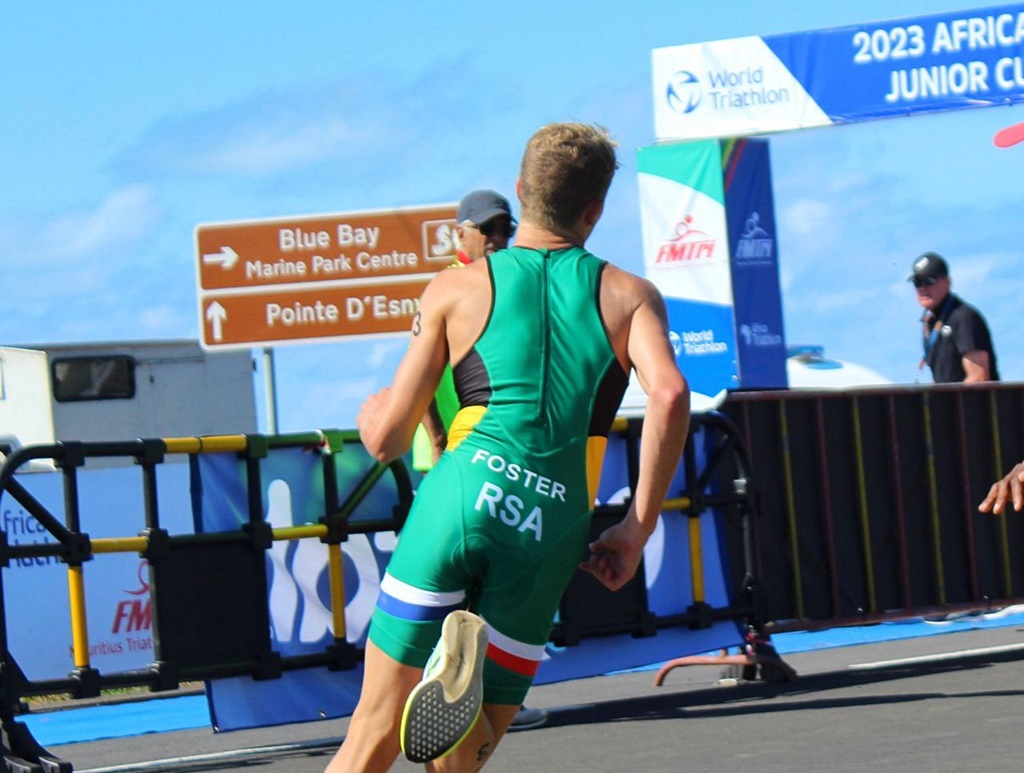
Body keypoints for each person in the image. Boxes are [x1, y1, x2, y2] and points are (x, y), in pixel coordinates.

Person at [324, 122, 690, 772]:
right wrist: (634, 527)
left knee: (373, 729)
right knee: (465, 751)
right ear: (595, 209)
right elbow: (667, 396)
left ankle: (447, 684)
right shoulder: (631, 297)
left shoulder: (457, 286)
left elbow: (386, 439)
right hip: (547, 526)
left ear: (521, 191)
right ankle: (461, 720)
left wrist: (376, 411)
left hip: (460, 497)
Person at [410, 189, 548, 733]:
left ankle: (471, 700)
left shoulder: (507, 282)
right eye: (485, 229)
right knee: (458, 588)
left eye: (503, 230)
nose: (495, 239)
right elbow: (415, 378)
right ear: (459, 233)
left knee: (485, 590)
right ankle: (448, 699)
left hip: (490, 460)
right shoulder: (448, 286)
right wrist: (442, 442)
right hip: (450, 461)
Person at [909, 251, 999, 383]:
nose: (923, 288)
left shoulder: (964, 317)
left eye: (929, 280)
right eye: (917, 282)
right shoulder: (930, 323)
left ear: (947, 282)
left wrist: (953, 404)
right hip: (950, 402)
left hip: (973, 403)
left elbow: (978, 378)